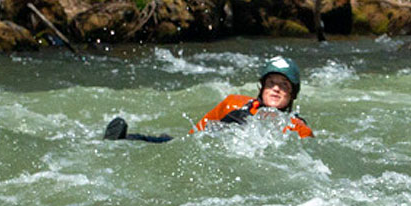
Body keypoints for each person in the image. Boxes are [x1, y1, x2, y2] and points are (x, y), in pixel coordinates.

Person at [103, 56, 313, 142]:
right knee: (171, 142)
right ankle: (127, 138)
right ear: (262, 88)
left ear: (292, 94)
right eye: (271, 83)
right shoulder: (234, 104)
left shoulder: (299, 129)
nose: (276, 89)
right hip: (214, 147)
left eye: (283, 86)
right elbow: (194, 136)